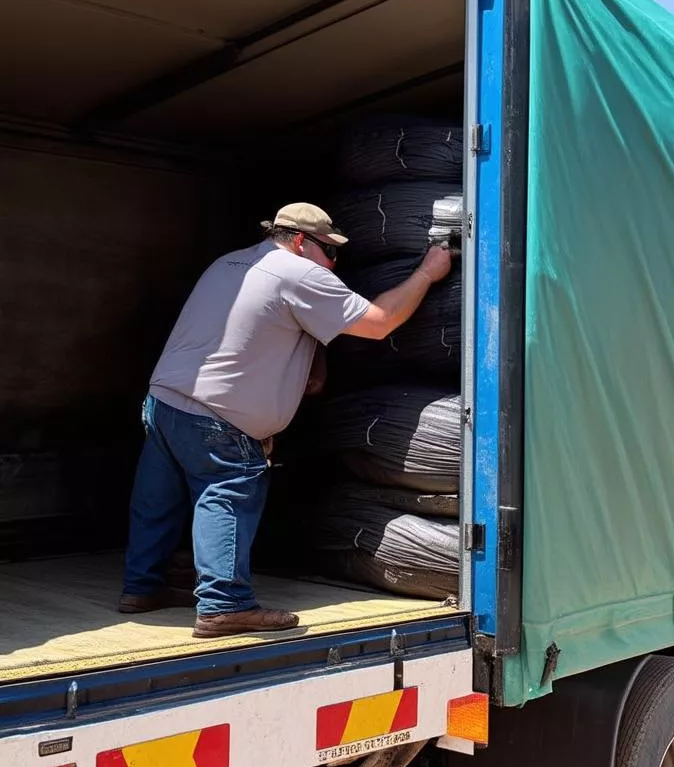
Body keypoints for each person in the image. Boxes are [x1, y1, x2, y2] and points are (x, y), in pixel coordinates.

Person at [120, 202, 452, 638]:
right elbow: (379, 322)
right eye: (329, 252)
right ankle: (225, 605)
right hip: (218, 417)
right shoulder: (298, 273)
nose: (334, 263)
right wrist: (428, 273)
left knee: (156, 500)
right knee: (227, 494)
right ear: (300, 241)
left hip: (165, 403)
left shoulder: (230, 263)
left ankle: (141, 588)